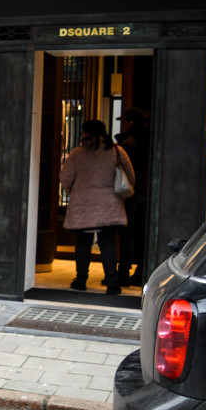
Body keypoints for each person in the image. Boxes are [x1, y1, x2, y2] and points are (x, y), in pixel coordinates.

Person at [60, 119, 135, 295]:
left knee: (83, 242)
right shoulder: (117, 151)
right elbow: (130, 176)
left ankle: (80, 281)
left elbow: (65, 178)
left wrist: (75, 191)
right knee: (107, 242)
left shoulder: (77, 154)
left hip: (83, 204)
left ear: (86, 133)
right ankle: (112, 284)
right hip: (109, 204)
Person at [115, 107, 151, 286]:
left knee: (127, 235)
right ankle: (141, 272)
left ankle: (122, 273)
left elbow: (123, 172)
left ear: (129, 123)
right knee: (144, 234)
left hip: (130, 194)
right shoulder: (152, 141)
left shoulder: (127, 144)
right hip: (148, 193)